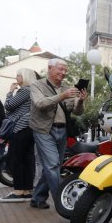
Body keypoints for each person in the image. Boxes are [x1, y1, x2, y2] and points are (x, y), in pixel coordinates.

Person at [29, 59, 86, 209]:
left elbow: (77, 112)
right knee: (53, 166)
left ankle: (38, 197)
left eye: (65, 70)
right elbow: (40, 104)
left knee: (53, 166)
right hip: (43, 130)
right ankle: (61, 202)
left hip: (62, 130)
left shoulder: (66, 87)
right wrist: (62, 96)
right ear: (49, 68)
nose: (63, 72)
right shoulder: (37, 85)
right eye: (60, 69)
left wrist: (79, 101)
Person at [0, 68, 38, 202]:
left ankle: (18, 190)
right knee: (26, 159)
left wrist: (10, 92)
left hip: (21, 127)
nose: (16, 78)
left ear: (25, 77)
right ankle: (27, 190)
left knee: (16, 158)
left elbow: (9, 106)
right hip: (30, 127)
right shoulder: (33, 90)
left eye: (18, 75)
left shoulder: (25, 90)